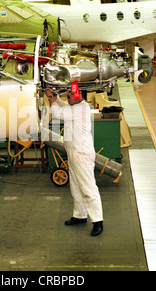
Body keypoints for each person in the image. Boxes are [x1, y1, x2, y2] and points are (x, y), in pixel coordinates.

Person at [45, 84, 103, 236]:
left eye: (70, 94)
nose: (67, 96)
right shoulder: (75, 106)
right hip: (73, 152)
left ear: (78, 95)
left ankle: (97, 221)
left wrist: (51, 98)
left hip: (81, 153)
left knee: (88, 187)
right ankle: (80, 215)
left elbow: (58, 114)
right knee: (76, 186)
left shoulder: (80, 109)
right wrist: (56, 98)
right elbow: (64, 105)